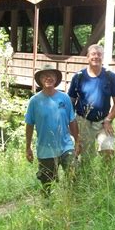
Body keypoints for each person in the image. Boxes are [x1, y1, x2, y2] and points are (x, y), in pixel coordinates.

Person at [25, 64, 81, 195]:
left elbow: (72, 121)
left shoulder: (64, 98)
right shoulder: (34, 101)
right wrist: (28, 147)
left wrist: (78, 141)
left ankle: (72, 201)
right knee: (47, 182)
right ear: (40, 80)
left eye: (51, 75)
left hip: (65, 146)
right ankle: (46, 204)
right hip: (45, 149)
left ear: (56, 79)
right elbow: (29, 125)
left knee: (74, 172)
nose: (48, 78)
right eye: (45, 75)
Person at [68, 44, 115, 165]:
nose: (96, 57)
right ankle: (87, 180)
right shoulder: (79, 77)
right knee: (86, 156)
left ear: (102, 57)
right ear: (87, 57)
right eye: (93, 54)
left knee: (108, 150)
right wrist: (72, 124)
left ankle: (106, 180)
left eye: (99, 54)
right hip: (83, 121)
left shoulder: (110, 76)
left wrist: (108, 119)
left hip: (103, 121)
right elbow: (70, 102)